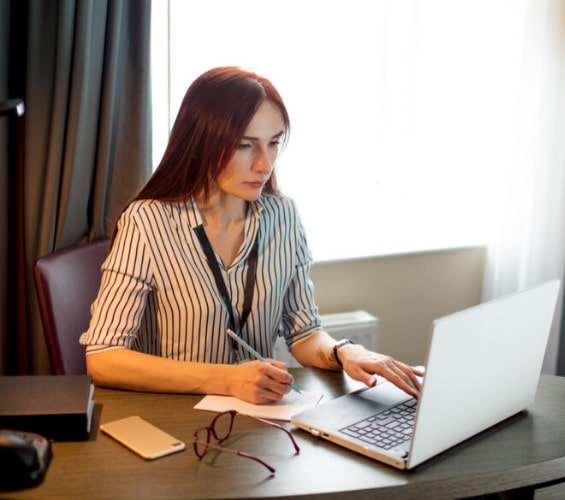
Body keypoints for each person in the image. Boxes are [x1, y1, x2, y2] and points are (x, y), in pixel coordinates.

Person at [80, 66, 423, 404]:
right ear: (200, 144)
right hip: (176, 424)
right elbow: (103, 357)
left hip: (257, 421)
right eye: (245, 146)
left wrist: (344, 351)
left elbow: (304, 333)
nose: (264, 164)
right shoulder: (147, 222)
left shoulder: (284, 217)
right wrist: (226, 380)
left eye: (273, 143)